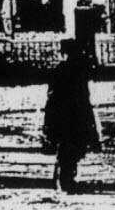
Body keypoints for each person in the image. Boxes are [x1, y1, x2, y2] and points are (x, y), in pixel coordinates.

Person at [42, 39, 100, 194]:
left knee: (69, 146)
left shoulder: (62, 70)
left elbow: (52, 96)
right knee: (72, 146)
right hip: (74, 113)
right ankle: (65, 179)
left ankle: (63, 177)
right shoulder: (76, 70)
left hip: (64, 113)